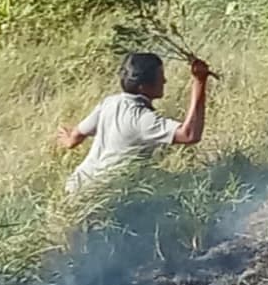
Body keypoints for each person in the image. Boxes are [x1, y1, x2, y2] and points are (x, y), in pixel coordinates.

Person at [58, 52, 211, 192]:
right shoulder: (142, 119)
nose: (165, 81)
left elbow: (75, 136)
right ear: (143, 86)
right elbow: (190, 135)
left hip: (76, 185)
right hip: (102, 195)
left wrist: (67, 140)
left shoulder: (109, 103)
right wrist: (199, 82)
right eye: (160, 76)